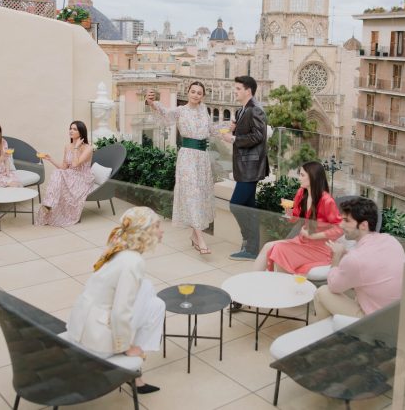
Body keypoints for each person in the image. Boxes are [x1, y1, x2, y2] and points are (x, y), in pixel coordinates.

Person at [61, 207, 165, 394]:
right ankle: (135, 362)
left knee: (154, 300)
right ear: (145, 231)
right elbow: (120, 311)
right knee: (154, 306)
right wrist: (125, 347)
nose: (162, 230)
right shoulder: (133, 262)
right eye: (157, 226)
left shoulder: (119, 248)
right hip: (95, 343)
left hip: (82, 327)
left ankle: (136, 373)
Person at [146, 82, 218, 254]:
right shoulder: (180, 111)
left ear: (203, 96)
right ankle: (201, 239)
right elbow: (165, 113)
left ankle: (194, 236)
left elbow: (212, 130)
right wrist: (152, 103)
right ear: (187, 93)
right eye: (193, 91)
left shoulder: (204, 110)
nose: (195, 95)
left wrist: (229, 131)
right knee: (192, 194)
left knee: (200, 195)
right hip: (187, 158)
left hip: (202, 159)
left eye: (199, 93)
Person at [314, 197, 405, 321]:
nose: (341, 225)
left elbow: (333, 285)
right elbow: (370, 263)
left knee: (322, 292)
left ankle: (327, 331)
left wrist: (336, 255)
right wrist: (346, 253)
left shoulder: (355, 259)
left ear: (363, 225)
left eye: (346, 221)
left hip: (374, 321)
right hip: (397, 316)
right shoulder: (391, 241)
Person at [254, 161, 344, 274]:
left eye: (302, 175)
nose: (299, 178)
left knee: (280, 250)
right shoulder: (301, 193)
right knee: (268, 246)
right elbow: (295, 218)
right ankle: (253, 280)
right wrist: (289, 212)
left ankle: (283, 281)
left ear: (313, 177)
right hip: (302, 241)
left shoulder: (326, 201)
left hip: (319, 248)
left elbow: (340, 228)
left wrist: (314, 235)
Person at [220, 75, 269, 261]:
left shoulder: (255, 109)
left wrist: (233, 138)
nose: (235, 91)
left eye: (238, 89)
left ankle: (249, 244)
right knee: (249, 208)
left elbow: (258, 136)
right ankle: (251, 249)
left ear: (248, 91)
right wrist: (233, 128)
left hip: (251, 168)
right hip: (244, 167)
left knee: (236, 205)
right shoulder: (242, 110)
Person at [35, 120, 96, 227]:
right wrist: (50, 159)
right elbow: (63, 167)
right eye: (70, 128)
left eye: (74, 129)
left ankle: (48, 204)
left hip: (83, 178)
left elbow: (75, 164)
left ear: (81, 132)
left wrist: (76, 148)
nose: (71, 131)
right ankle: (49, 203)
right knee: (57, 173)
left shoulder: (88, 148)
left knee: (58, 174)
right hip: (70, 175)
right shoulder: (67, 146)